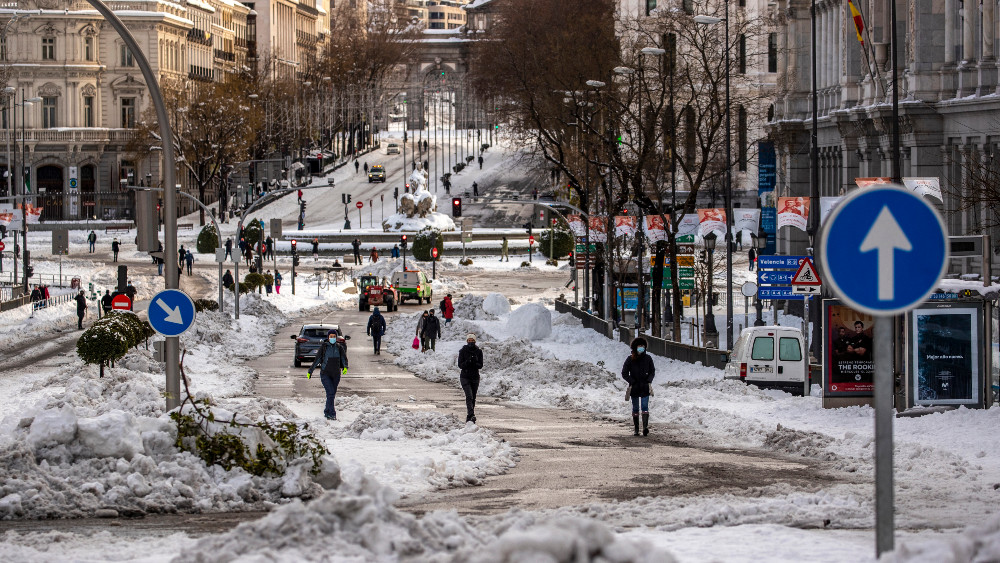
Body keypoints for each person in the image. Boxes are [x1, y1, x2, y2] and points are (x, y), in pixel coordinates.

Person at [307, 330, 349, 420]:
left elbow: (344, 358)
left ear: (336, 337)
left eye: (334, 336)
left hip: (336, 374)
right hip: (325, 374)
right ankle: (332, 413)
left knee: (331, 394)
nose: (332, 338)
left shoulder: (339, 347)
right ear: (328, 337)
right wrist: (310, 371)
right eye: (331, 336)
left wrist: (345, 367)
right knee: (330, 393)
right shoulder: (324, 347)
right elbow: (317, 359)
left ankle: (327, 411)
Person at [622, 337, 656, 436]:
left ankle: (645, 427)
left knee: (645, 407)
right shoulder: (630, 359)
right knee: (635, 408)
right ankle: (636, 429)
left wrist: (649, 380)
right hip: (635, 387)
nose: (641, 348)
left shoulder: (648, 358)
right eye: (639, 346)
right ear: (635, 347)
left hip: (645, 387)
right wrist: (631, 381)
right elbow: (624, 373)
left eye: (643, 346)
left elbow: (652, 371)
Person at [458, 333, 484, 423]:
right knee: (469, 396)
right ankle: (471, 414)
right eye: (469, 341)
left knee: (473, 397)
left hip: (475, 377)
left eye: (472, 341)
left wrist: (474, 362)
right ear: (467, 341)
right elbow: (460, 365)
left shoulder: (478, 352)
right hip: (465, 377)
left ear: (475, 341)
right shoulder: (462, 351)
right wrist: (468, 361)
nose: (470, 342)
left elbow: (480, 365)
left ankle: (469, 416)